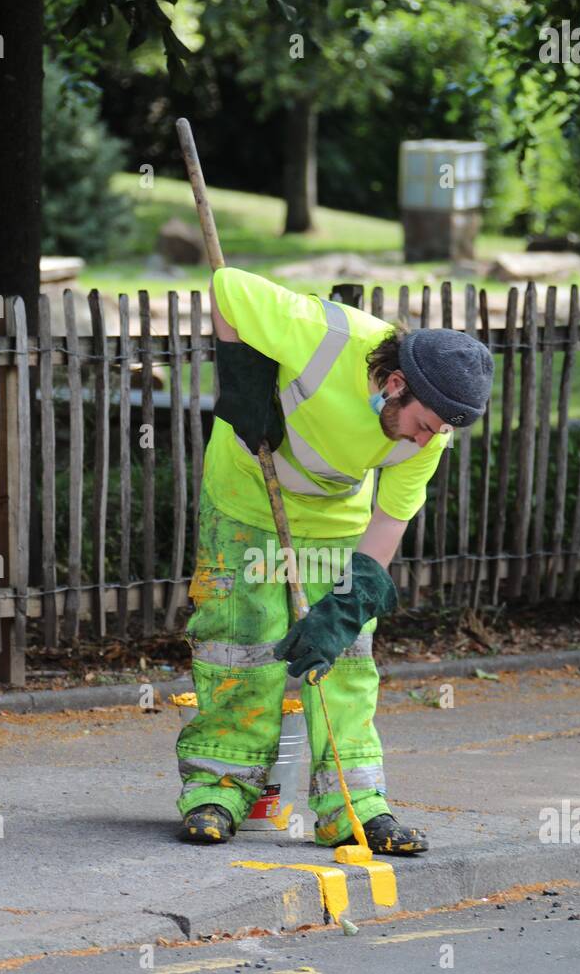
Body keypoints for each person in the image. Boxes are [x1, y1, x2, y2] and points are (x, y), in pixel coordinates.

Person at [176, 267, 493, 854]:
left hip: (332, 518)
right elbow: (227, 287)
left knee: (345, 658)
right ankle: (217, 788)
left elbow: (387, 527)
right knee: (241, 642)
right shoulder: (323, 336)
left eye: (439, 433)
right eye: (423, 426)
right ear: (395, 383)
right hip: (247, 496)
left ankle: (354, 806)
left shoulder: (432, 431)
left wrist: (349, 606)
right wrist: (244, 379)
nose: (424, 442)